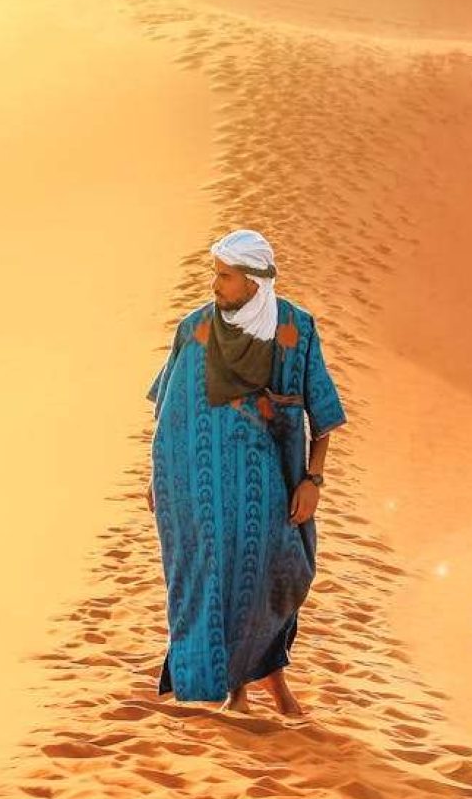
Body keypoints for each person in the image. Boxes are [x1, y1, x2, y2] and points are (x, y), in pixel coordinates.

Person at [145, 228, 347, 715]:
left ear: (255, 281)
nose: (215, 286)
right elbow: (171, 410)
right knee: (214, 580)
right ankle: (241, 693)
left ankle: (269, 686)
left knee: (274, 577)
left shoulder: (294, 332)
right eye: (215, 274)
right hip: (200, 483)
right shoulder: (195, 329)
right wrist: (159, 477)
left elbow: (323, 416)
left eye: (225, 277)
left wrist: (312, 480)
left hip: (271, 486)